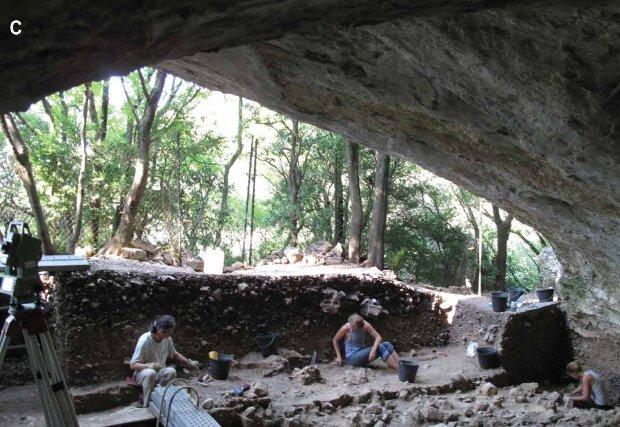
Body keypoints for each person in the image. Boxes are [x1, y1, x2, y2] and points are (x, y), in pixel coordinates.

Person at [130, 315, 199, 407]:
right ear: (160, 331)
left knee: (171, 371)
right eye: (169, 333)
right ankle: (147, 404)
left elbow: (174, 354)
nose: (170, 335)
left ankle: (161, 400)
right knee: (151, 373)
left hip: (159, 372)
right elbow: (133, 365)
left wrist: (188, 362)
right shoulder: (145, 340)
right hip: (142, 373)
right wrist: (149, 365)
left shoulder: (166, 339)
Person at [332, 313, 400, 370]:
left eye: (353, 326)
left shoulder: (365, 325)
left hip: (361, 351)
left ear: (359, 326)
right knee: (380, 347)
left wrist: (373, 350)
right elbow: (335, 339)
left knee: (387, 344)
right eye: (350, 325)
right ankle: (399, 369)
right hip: (352, 357)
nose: (351, 327)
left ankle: (401, 364)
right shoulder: (346, 327)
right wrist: (339, 356)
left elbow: (378, 337)